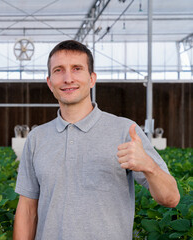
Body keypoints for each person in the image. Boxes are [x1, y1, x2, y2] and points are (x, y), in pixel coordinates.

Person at [13, 40, 180, 240]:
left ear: (92, 79)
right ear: (50, 82)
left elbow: (171, 199)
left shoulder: (125, 131)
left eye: (77, 69)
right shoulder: (37, 138)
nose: (68, 78)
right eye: (59, 70)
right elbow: (27, 210)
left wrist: (149, 166)